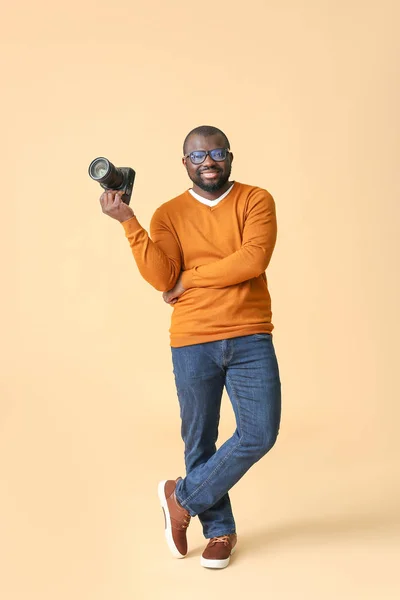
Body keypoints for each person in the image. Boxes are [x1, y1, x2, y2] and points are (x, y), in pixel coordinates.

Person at [99, 125, 281, 569]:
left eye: (216, 153)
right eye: (198, 157)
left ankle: (180, 498)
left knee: (260, 433)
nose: (209, 162)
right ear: (185, 164)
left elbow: (253, 259)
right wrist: (129, 222)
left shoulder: (256, 200)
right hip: (192, 339)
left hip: (250, 333)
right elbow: (163, 278)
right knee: (199, 439)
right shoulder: (167, 214)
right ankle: (219, 532)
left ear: (230, 157)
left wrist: (192, 278)